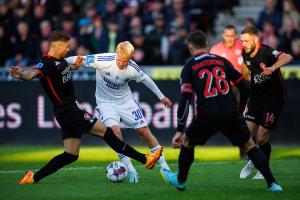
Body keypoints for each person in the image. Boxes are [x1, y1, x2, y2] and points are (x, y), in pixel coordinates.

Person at [9, 30, 162, 185]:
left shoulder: (61, 60)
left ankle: (33, 177)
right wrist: (22, 74)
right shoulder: (46, 63)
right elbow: (33, 73)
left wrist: (75, 65)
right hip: (69, 111)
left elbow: (66, 70)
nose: (69, 49)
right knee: (107, 133)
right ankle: (145, 159)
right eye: (66, 46)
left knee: (71, 154)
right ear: (57, 46)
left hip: (65, 113)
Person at [160, 30, 283, 193]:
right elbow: (244, 88)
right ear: (206, 45)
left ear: (190, 47)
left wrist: (179, 130)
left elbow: (185, 99)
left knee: (187, 142)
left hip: (206, 114)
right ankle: (273, 184)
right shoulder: (221, 61)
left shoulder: (189, 66)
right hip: (229, 112)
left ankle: (181, 181)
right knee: (249, 145)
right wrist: (239, 110)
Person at [67, 41, 172, 183]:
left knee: (144, 131)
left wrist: (161, 96)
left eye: (125, 61)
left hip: (126, 102)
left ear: (132, 57)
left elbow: (146, 80)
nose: (122, 64)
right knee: (115, 135)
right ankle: (131, 170)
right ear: (116, 54)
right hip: (106, 104)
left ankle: (165, 168)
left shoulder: (133, 68)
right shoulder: (103, 60)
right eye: (120, 60)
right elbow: (78, 59)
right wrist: (57, 63)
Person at [239, 26, 293, 179]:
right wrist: (241, 78)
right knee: (245, 135)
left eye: (247, 40)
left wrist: (273, 67)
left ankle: (263, 167)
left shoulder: (267, 52)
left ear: (256, 39)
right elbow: (245, 69)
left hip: (273, 100)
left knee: (261, 137)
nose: (244, 44)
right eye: (242, 41)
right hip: (256, 99)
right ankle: (254, 159)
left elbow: (288, 57)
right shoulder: (245, 52)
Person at [210, 24, 248, 159]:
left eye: (232, 35)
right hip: (223, 89)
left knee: (243, 117)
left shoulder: (242, 46)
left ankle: (246, 150)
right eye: (227, 35)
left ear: (236, 35)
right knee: (231, 119)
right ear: (223, 35)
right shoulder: (216, 50)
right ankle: (243, 146)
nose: (230, 38)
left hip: (240, 86)